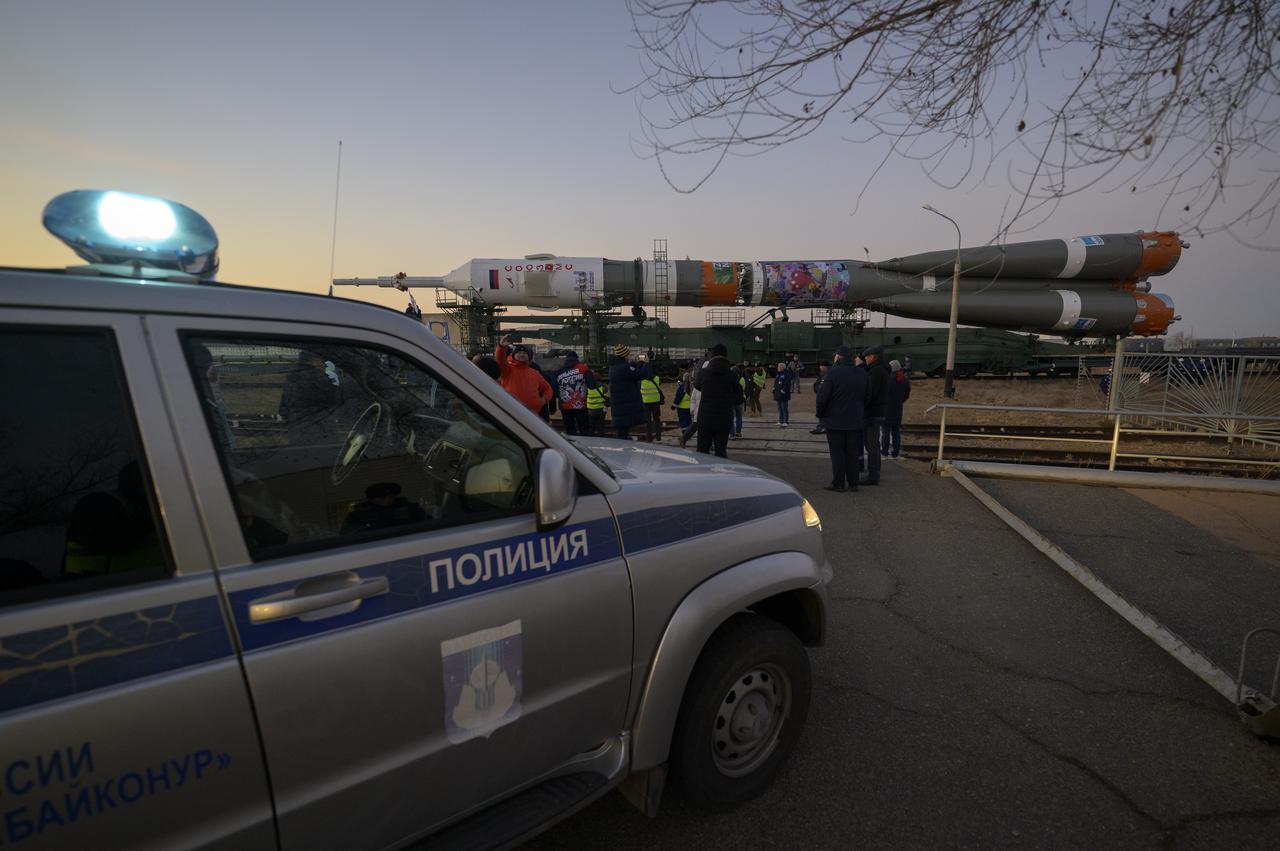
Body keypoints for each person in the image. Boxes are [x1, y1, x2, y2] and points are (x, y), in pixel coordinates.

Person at [815, 346, 868, 492]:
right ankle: (853, 483)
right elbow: (867, 396)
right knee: (852, 452)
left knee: (837, 453)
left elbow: (822, 398)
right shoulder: (862, 373)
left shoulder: (832, 374)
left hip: (835, 421)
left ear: (839, 357)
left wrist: (821, 415)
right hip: (855, 420)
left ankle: (838, 483)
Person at [280, 350, 341, 445]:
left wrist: (289, 416)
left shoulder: (291, 377)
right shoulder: (320, 377)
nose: (323, 364)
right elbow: (333, 400)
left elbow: (285, 402)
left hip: (297, 421)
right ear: (313, 360)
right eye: (321, 361)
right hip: (321, 423)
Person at [693, 343, 741, 457]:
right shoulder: (731, 375)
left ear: (712, 356)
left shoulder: (704, 373)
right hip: (723, 419)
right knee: (720, 452)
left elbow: (697, 385)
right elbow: (739, 398)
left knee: (702, 452)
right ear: (726, 357)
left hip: (705, 418)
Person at [495, 336, 553, 415]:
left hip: (532, 414)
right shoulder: (508, 370)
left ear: (528, 357)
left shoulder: (535, 373)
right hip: (512, 412)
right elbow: (500, 359)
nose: (522, 354)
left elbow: (548, 389)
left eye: (525, 353)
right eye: (519, 352)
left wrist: (544, 400)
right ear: (513, 356)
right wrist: (501, 347)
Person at [341, 482, 427, 535]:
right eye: (382, 498)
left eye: (391, 497)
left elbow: (427, 523)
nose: (388, 500)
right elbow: (349, 536)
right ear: (370, 499)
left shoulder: (407, 508)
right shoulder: (358, 516)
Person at [860, 345, 891, 486]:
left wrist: (861, 406)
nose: (865, 359)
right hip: (878, 412)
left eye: (866, 356)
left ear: (873, 356)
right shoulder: (881, 370)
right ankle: (875, 472)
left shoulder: (876, 372)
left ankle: (873, 476)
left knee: (871, 445)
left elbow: (869, 394)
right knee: (875, 444)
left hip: (872, 414)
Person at [608, 344, 652, 440]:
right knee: (623, 432)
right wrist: (647, 363)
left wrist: (633, 364)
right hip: (625, 405)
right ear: (624, 355)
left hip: (620, 405)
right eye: (628, 354)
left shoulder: (614, 367)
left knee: (622, 430)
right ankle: (624, 450)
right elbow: (642, 374)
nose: (629, 356)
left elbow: (629, 372)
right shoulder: (624, 368)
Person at [554, 351, 594, 436]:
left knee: (570, 431)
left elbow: (555, 389)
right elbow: (592, 385)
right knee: (584, 430)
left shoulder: (558, 371)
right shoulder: (584, 369)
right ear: (577, 359)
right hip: (581, 405)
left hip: (565, 405)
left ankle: (571, 448)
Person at [882, 358, 912, 458]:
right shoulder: (905, 380)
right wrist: (900, 402)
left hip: (886, 409)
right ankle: (896, 452)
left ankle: (884, 451)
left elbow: (883, 394)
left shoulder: (888, 379)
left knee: (885, 431)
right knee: (896, 431)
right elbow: (907, 394)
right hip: (898, 409)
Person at [810, 361, 831, 434]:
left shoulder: (829, 374)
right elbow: (816, 384)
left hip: (825, 398)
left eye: (821, 366)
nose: (820, 367)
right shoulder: (822, 374)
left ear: (825, 367)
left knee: (823, 413)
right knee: (821, 412)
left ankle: (821, 428)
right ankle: (822, 427)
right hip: (820, 396)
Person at [672, 367, 693, 433]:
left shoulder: (682, 387)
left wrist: (673, 406)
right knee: (689, 420)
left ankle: (685, 433)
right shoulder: (692, 386)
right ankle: (689, 432)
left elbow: (678, 397)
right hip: (690, 407)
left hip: (682, 407)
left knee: (683, 421)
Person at [772, 361, 792, 426]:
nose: (778, 368)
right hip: (778, 394)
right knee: (779, 408)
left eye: (779, 366)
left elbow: (787, 384)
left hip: (784, 394)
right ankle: (780, 421)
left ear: (782, 367)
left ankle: (785, 421)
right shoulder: (778, 374)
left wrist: (783, 390)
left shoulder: (786, 374)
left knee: (784, 408)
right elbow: (776, 382)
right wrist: (774, 388)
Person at [731, 365, 745, 438]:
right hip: (739, 400)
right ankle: (738, 432)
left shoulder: (729, 379)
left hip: (731, 401)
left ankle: (732, 434)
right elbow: (744, 389)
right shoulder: (742, 379)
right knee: (739, 417)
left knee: (731, 418)